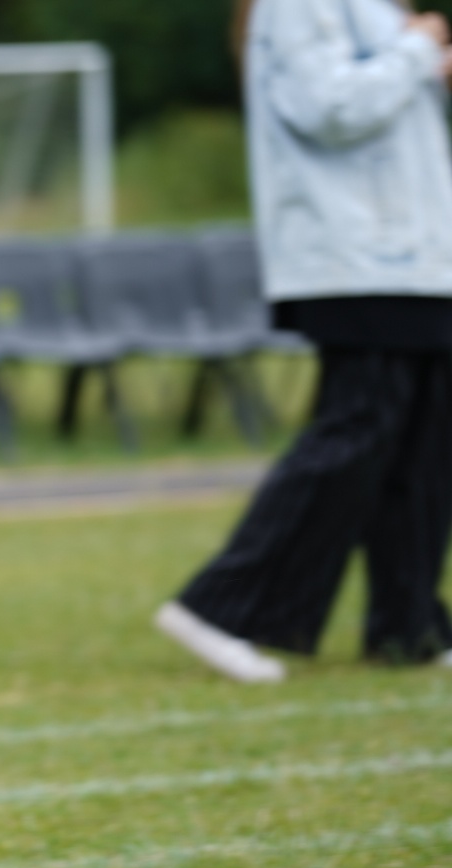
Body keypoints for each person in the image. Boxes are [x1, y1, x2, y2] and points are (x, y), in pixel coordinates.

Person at [156, 0, 452, 683]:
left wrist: (430, 68)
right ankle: (224, 608)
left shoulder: (376, 9)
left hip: (420, 258)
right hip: (353, 255)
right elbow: (329, 108)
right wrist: (417, 50)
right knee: (357, 431)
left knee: (424, 440)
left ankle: (407, 626)